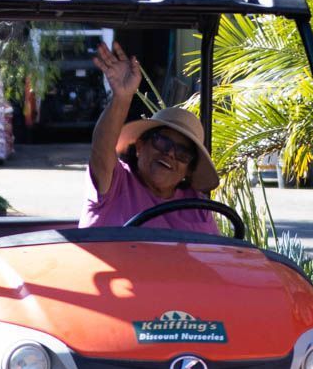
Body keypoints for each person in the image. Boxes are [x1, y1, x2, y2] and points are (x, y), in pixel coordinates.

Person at [79, 41, 220, 233]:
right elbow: (101, 149)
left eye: (183, 153)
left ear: (189, 169)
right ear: (139, 145)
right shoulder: (115, 183)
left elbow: (213, 256)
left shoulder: (197, 206)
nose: (170, 154)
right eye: (162, 142)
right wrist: (122, 98)